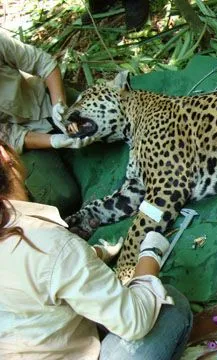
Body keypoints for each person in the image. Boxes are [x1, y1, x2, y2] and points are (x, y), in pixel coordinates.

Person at [0, 140, 193, 359]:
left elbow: (37, 273)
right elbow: (135, 321)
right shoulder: (50, 242)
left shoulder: (40, 244)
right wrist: (149, 255)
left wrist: (94, 254)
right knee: (171, 305)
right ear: (4, 156)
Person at [0, 31, 92, 215]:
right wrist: (53, 141)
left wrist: (59, 105)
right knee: (61, 198)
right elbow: (9, 135)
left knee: (97, 124)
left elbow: (44, 63)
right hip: (26, 141)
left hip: (44, 99)